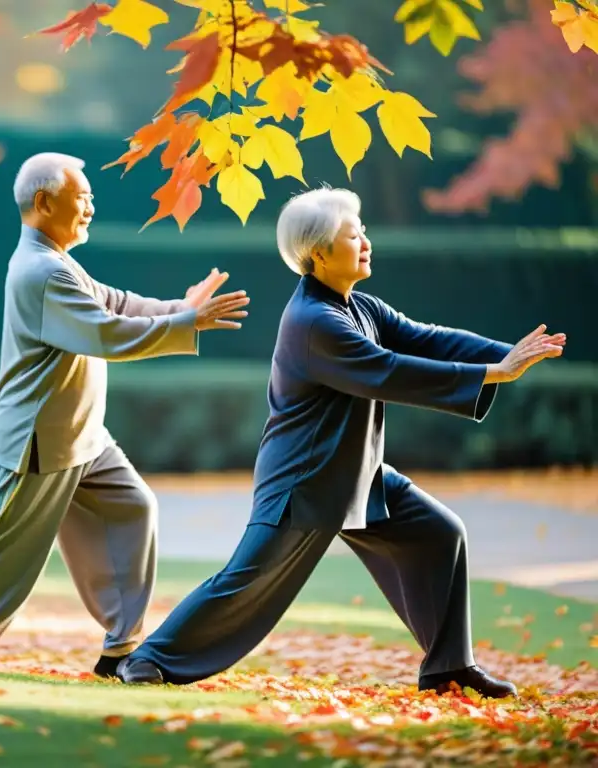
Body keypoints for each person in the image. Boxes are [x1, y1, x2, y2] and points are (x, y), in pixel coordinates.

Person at [116, 187, 566, 699]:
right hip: (304, 483)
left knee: (439, 533)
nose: (365, 241)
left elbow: (425, 338)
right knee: (245, 582)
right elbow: (388, 372)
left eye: (363, 230)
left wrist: (511, 354)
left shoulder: (359, 306)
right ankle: (148, 659)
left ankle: (448, 667)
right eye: (354, 235)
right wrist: (492, 373)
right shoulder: (315, 322)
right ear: (320, 254)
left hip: (358, 475)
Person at [0, 152, 251, 676]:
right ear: (44, 203)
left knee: (132, 507)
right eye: (82, 198)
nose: (91, 207)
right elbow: (108, 333)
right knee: (4, 547)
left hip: (83, 435)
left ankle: (120, 649)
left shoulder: (56, 260)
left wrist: (181, 309)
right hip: (40, 437)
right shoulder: (41, 270)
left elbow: (117, 303)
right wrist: (188, 323)